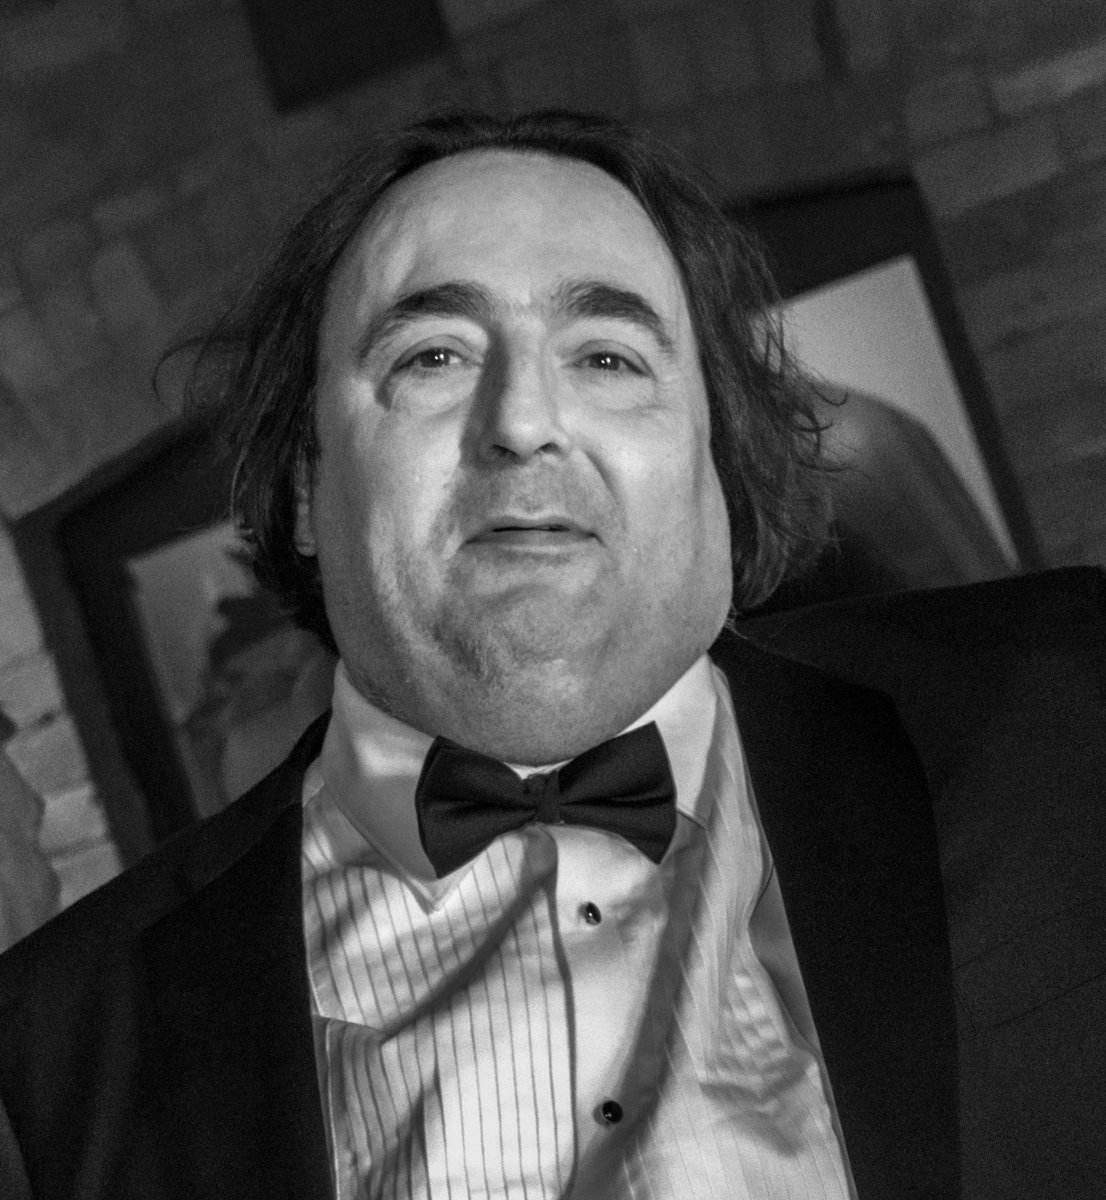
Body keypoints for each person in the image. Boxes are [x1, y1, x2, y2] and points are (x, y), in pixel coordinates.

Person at [0, 110, 1103, 1200]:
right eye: (433, 356)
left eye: (608, 356)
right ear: (303, 487)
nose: (523, 420)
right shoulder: (53, 1056)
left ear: (716, 456)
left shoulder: (1071, 720)